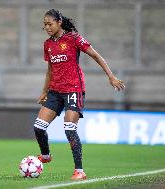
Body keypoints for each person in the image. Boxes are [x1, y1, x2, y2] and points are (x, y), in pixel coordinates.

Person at [33, 9, 125, 180]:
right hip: (55, 91)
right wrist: (44, 92)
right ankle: (45, 156)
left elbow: (96, 56)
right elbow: (50, 71)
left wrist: (111, 76)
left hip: (73, 89)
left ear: (59, 22)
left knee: (69, 128)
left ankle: (79, 171)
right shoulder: (48, 44)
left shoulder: (74, 38)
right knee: (38, 127)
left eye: (49, 24)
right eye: (44, 24)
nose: (46, 27)